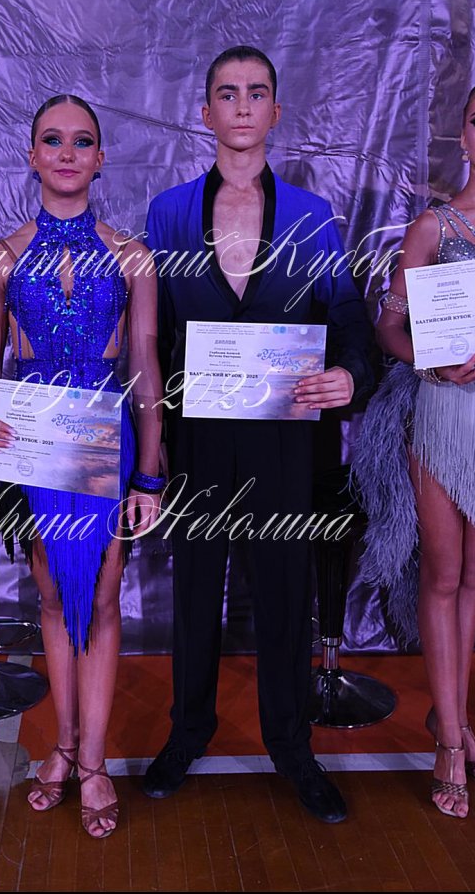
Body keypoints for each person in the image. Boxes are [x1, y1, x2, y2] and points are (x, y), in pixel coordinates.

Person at [142, 45, 374, 824]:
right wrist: (153, 431)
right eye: (227, 92)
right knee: (194, 591)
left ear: (276, 110)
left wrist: (350, 375)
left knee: (284, 592)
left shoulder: (313, 215)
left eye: (256, 92)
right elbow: (152, 333)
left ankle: (292, 746)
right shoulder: (168, 212)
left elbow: (349, 318)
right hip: (199, 434)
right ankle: (188, 732)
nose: (242, 105)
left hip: (284, 437)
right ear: (205, 111)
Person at [0, 94, 163, 838]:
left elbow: (145, 364)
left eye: (83, 141)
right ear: (32, 156)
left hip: (105, 432)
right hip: (35, 432)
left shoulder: (132, 255)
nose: (68, 152)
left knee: (104, 597)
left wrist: (150, 471)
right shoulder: (0, 256)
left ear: (100, 159)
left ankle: (95, 761)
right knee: (50, 593)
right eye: (53, 140)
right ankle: (65, 745)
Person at [353, 86, 475, 819]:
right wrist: (431, 360)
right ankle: (451, 743)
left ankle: (450, 714)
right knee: (444, 571)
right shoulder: (434, 226)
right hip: (441, 413)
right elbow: (387, 328)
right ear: (463, 133)